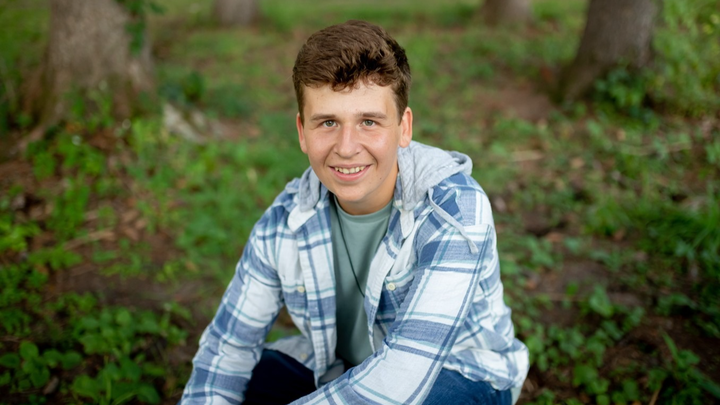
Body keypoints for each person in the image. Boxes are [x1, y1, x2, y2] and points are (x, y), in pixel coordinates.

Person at [180, 20, 528, 405]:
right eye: (328, 122)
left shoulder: (453, 208)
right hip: (344, 369)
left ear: (404, 127)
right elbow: (227, 347)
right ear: (302, 131)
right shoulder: (284, 222)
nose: (346, 148)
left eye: (368, 122)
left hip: (458, 375)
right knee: (248, 379)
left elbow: (402, 378)